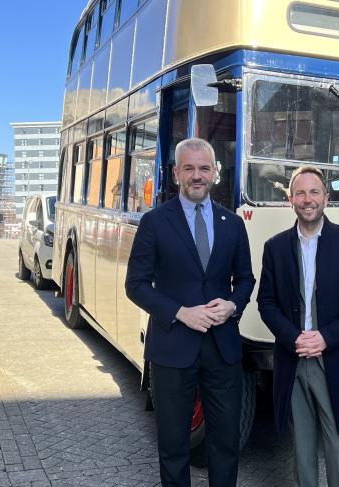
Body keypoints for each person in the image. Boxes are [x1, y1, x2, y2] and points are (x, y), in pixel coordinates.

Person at [125, 138, 255, 487]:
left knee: (226, 442)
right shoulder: (154, 222)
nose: (197, 176)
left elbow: (245, 278)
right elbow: (135, 284)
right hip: (172, 347)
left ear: (215, 172)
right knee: (172, 445)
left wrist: (232, 305)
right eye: (189, 168)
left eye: (204, 168)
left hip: (223, 349)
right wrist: (180, 312)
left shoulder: (232, 223)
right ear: (176, 173)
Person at [257, 166, 339, 487]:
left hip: (334, 359)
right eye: (300, 193)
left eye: (313, 192)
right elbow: (265, 303)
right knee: (302, 446)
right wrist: (294, 337)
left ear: (326, 198)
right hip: (293, 360)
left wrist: (324, 338)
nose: (307, 199)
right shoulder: (275, 247)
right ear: (290, 200)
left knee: (338, 443)